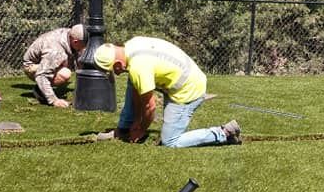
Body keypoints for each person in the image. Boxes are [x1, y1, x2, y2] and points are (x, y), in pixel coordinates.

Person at [93, 36, 241, 147]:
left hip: (188, 90)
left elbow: (149, 107)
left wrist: (141, 129)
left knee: (170, 141)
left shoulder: (139, 67)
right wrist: (136, 121)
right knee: (133, 82)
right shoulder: (132, 44)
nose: (116, 74)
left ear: (118, 64)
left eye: (113, 70)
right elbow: (137, 94)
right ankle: (124, 129)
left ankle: (223, 133)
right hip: (179, 78)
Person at [22, 24, 87, 107]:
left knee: (77, 54)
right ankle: (39, 91)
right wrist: (53, 100)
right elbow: (41, 75)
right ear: (75, 42)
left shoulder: (70, 34)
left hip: (47, 60)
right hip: (32, 66)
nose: (86, 46)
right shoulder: (55, 51)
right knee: (64, 74)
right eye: (84, 43)